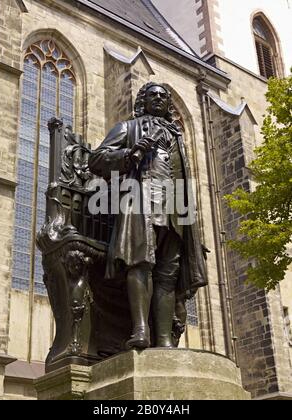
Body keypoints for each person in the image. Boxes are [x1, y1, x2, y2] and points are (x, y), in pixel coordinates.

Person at [88, 82, 208, 349]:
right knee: (140, 261)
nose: (157, 98)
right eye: (151, 94)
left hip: (175, 206)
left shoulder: (177, 136)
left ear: (168, 104)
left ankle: (164, 338)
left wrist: (192, 229)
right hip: (140, 198)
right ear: (143, 100)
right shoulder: (128, 128)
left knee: (169, 272)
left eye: (163, 96)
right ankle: (141, 329)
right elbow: (96, 160)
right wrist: (129, 153)